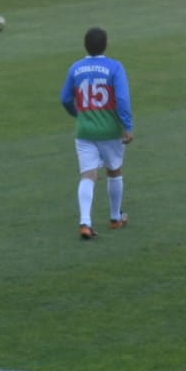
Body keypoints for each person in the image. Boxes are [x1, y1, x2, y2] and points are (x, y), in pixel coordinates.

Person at [59, 26, 134, 240]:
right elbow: (122, 99)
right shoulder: (115, 68)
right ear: (106, 44)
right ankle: (114, 218)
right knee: (114, 171)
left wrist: (79, 115)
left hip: (85, 131)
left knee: (88, 176)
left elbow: (65, 99)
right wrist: (127, 126)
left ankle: (85, 222)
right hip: (110, 131)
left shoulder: (75, 68)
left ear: (85, 45)